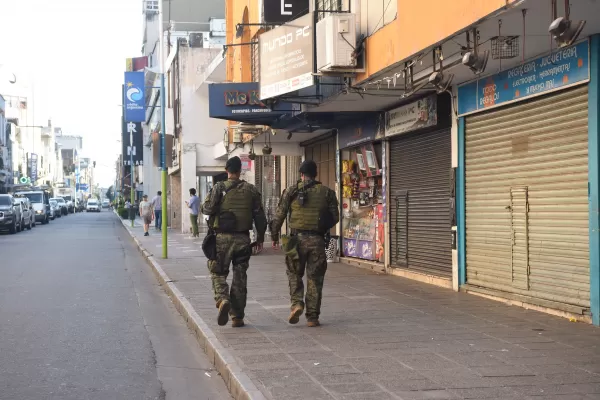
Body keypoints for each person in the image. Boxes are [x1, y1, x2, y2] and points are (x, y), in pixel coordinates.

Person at [270, 160, 339, 327]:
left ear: (301, 174)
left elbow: (279, 215)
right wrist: (321, 226)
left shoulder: (291, 191)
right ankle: (312, 317)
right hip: (317, 240)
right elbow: (335, 217)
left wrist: (274, 235)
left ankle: (297, 304)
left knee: (294, 274)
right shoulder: (327, 192)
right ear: (315, 174)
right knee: (315, 279)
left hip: (296, 241)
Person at [201, 156, 267, 328]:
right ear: (240, 171)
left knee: (217, 272)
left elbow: (207, 208)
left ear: (226, 171)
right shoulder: (251, 190)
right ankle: (237, 317)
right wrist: (260, 238)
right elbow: (260, 216)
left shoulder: (219, 187)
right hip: (243, 239)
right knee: (240, 277)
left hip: (222, 238)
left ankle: (222, 299)